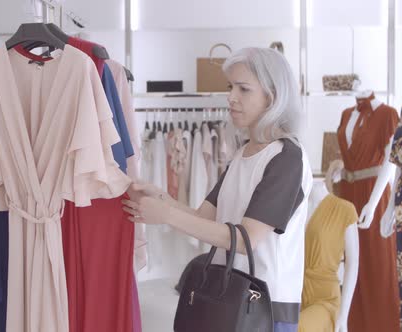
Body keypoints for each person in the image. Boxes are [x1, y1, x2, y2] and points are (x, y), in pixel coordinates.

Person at [122, 47, 313, 332]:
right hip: (231, 297)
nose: (231, 97)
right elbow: (206, 217)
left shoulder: (286, 158)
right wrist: (160, 197)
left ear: (271, 97)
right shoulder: (243, 153)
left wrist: (167, 215)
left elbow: (245, 239)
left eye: (243, 89)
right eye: (230, 86)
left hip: (265, 307)